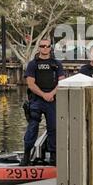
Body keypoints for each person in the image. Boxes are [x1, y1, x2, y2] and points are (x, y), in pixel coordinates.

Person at [21, 38, 65, 166]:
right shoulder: (33, 64)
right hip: (37, 100)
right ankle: (26, 156)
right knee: (32, 127)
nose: (44, 48)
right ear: (38, 47)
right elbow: (30, 83)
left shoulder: (57, 64)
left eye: (47, 46)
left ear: (50, 48)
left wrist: (51, 94)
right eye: (42, 46)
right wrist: (44, 95)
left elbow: (61, 81)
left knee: (54, 127)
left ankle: (53, 156)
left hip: (52, 99)